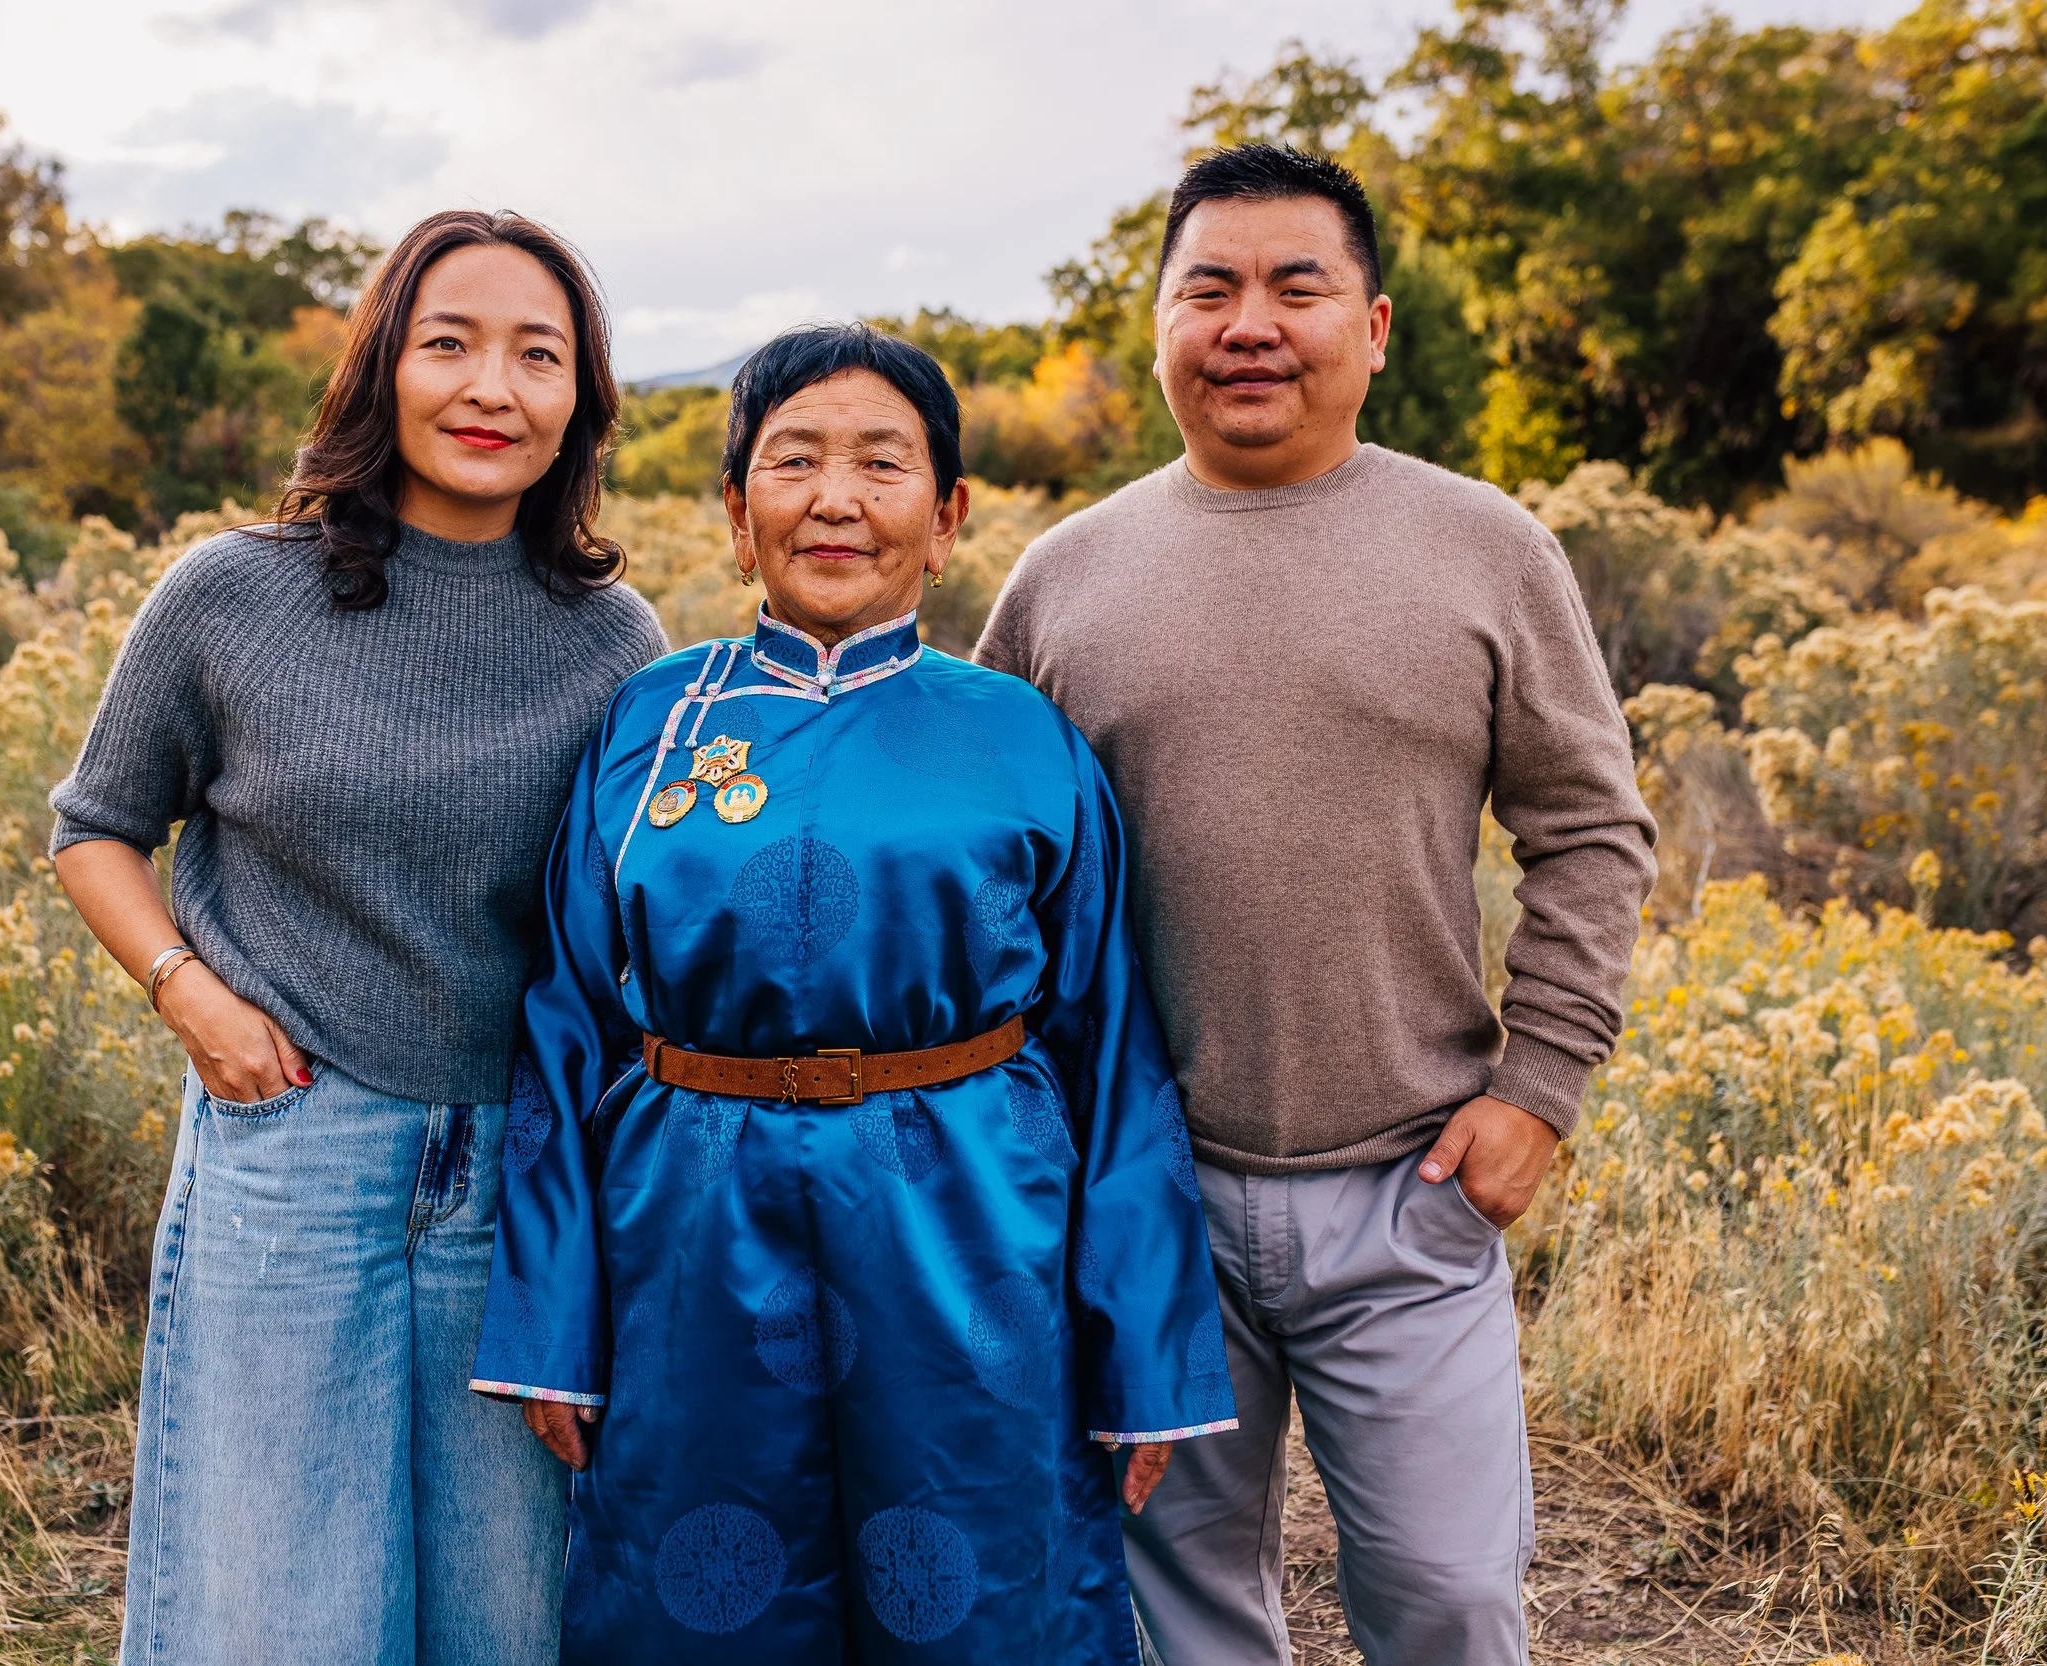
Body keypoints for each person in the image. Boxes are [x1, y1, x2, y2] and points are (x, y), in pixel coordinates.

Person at [977, 145, 1657, 1666]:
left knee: (1449, 1597)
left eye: (1298, 287)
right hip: (1144, 1193)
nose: (1250, 324)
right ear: (1156, 324)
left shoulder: (1488, 548)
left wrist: (1540, 1086)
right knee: (1185, 1606)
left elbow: (1592, 828)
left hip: (1409, 1191)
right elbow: (982, 869)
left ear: (1376, 327)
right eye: (1207, 289)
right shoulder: (1063, 577)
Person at [470, 322, 1237, 1663]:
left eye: (883, 464)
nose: (836, 498)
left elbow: (1112, 1049)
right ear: (735, 508)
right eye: (794, 461)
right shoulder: (651, 726)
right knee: (697, 1593)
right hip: (692, 1230)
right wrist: (551, 1322)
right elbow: (568, 1020)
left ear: (945, 518)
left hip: (969, 1222)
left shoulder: (1020, 733)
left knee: (983, 1589)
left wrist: (1149, 1355)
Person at [49, 209, 666, 1666]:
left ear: (578, 399)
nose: (490, 389)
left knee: (506, 1607)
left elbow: (634, 915)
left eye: (537, 355)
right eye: (449, 344)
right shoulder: (231, 593)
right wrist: (185, 990)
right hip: (294, 1140)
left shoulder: (614, 637)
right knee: (279, 1608)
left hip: (517, 1170)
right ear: (386, 362)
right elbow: (94, 828)